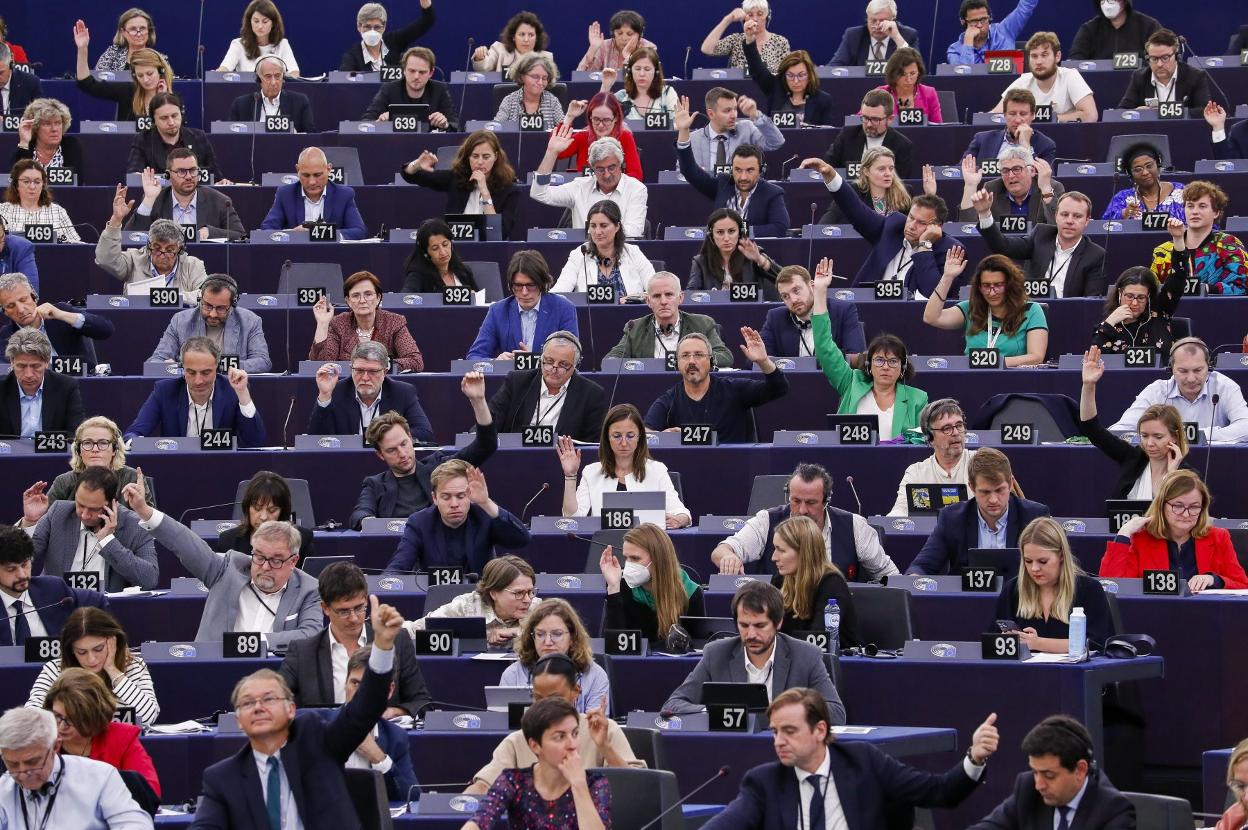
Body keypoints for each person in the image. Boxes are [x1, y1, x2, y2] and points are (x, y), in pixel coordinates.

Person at [193, 596, 406, 827]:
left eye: (269, 698)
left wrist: (383, 646)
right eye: (247, 703)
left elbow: (364, 711)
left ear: (291, 710)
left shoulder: (317, 743)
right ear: (239, 721)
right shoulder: (223, 779)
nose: (258, 707)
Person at [713, 690, 997, 829]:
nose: (778, 742)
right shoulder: (764, 782)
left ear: (820, 730)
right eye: (775, 732)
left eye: (789, 731)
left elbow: (940, 792)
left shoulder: (864, 763)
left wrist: (974, 757)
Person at [121, 470, 322, 649]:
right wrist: (145, 511)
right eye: (259, 557)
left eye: (276, 560)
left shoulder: (309, 589)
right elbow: (184, 541)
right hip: (215, 673)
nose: (265, 567)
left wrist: (255, 642)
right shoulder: (227, 569)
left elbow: (310, 635)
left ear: (293, 561)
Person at [662, 582, 844, 720]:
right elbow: (673, 705)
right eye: (744, 625)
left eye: (760, 625)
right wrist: (712, 711)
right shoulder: (716, 653)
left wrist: (787, 712)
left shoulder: (805, 655)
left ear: (778, 622)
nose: (751, 634)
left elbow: (836, 713)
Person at [467, 654, 643, 795]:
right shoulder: (519, 740)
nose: (546, 706)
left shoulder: (604, 730)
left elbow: (636, 788)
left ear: (575, 692)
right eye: (538, 698)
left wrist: (605, 747)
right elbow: (483, 786)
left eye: (555, 698)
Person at [279, 562, 429, 717]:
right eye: (343, 611)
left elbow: (422, 703)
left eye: (359, 608)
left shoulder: (397, 641)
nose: (354, 618)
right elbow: (278, 702)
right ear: (325, 608)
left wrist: (392, 712)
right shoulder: (302, 651)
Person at [349, 375, 497, 529]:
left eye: (404, 444)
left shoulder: (438, 467)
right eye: (392, 450)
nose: (402, 453)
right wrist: (371, 523)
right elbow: (360, 513)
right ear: (380, 454)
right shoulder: (375, 484)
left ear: (411, 437)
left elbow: (486, 445)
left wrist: (478, 401)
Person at [713, 463, 899, 580]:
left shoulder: (854, 526)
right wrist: (728, 557)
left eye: (811, 503)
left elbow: (889, 575)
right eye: (796, 501)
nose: (802, 510)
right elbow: (721, 551)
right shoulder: (766, 520)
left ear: (826, 501)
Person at [800, 157, 954, 297]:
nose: (912, 226)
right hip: (869, 309)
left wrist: (924, 247)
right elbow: (855, 209)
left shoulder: (951, 252)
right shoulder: (893, 227)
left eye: (921, 223)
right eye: (911, 218)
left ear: (937, 226)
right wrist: (831, 175)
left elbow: (933, 295)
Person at [811, 259, 928, 440]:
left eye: (893, 361)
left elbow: (921, 441)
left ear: (902, 367)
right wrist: (820, 292)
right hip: (850, 463)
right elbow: (824, 347)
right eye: (879, 360)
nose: (885, 366)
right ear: (869, 364)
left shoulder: (918, 399)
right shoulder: (851, 383)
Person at [463, 697, 612, 830]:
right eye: (560, 737)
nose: (572, 744)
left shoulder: (595, 783)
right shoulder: (513, 781)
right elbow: (480, 820)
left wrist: (579, 785)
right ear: (535, 746)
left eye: (574, 733)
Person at [969, 715, 1134, 829]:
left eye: (1049, 775)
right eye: (1034, 772)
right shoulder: (1028, 790)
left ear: (1080, 770)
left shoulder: (1113, 810)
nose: (1039, 784)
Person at [0, 707, 151, 829]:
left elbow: (136, 825)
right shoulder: (3, 788)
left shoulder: (101, 777)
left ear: (55, 746)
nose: (23, 773)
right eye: (12, 764)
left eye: (33, 762)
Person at [907, 448, 1051, 574]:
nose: (993, 499)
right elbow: (922, 566)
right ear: (971, 486)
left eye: (1000, 490)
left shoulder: (1035, 516)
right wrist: (915, 578)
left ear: (1011, 484)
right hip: (967, 603)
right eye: (985, 492)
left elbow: (1054, 567)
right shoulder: (951, 518)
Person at [1102, 469, 1248, 591]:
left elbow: (1242, 585)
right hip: (1154, 617)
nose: (1186, 514)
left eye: (1194, 507)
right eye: (1177, 506)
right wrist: (1123, 535)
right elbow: (1112, 586)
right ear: (1162, 505)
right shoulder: (1142, 538)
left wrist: (1214, 580)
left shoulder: (1218, 537)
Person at [382, 460, 530, 575]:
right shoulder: (420, 522)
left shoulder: (483, 515)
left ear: (469, 495)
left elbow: (522, 539)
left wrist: (486, 502)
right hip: (435, 599)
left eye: (461, 496)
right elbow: (399, 565)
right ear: (434, 498)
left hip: (480, 599)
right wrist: (386, 584)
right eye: (446, 497)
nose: (454, 504)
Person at [25, 467, 158, 592]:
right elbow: (21, 557)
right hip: (60, 606)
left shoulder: (135, 525)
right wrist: (30, 521)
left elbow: (149, 580)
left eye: (94, 509)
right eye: (80, 505)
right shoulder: (59, 512)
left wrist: (108, 542)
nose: (84, 515)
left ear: (113, 503)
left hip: (108, 611)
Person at [644, 328, 789, 443]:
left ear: (711, 361)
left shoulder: (734, 389)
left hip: (734, 468)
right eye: (685, 355)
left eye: (699, 355)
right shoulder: (668, 400)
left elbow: (779, 388)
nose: (692, 361)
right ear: (676, 363)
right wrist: (662, 437)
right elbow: (645, 433)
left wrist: (763, 361)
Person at [558, 403, 692, 527]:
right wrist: (570, 476)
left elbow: (682, 513)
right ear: (607, 438)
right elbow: (573, 519)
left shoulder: (657, 470)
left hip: (647, 548)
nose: (623, 443)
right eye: (617, 436)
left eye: (630, 436)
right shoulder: (591, 472)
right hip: (605, 547)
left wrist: (680, 519)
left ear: (640, 437)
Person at [676, 97, 790, 239]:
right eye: (738, 170)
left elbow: (779, 228)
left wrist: (739, 232)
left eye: (750, 170)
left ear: (761, 171)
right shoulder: (723, 184)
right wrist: (683, 131)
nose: (743, 177)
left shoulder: (772, 193)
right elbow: (690, 171)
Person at [26, 607, 159, 727]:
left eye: (98, 648)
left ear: (113, 641)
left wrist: (113, 671)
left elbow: (148, 717)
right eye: (82, 652)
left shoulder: (133, 666)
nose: (91, 659)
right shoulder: (54, 670)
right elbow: (31, 717)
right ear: (71, 650)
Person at [994, 518, 1113, 653]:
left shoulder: (1089, 589)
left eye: (1043, 561)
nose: (1034, 568)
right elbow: (995, 639)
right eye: (1028, 561)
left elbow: (1098, 644)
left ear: (1061, 556)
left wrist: (1038, 643)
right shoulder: (1013, 589)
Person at [124, 337, 266, 448]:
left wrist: (243, 394)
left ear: (217, 367)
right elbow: (133, 434)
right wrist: (137, 444)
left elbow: (255, 442)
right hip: (176, 469)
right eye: (191, 372)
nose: (198, 381)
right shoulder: (165, 391)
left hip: (224, 467)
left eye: (206, 372)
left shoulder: (232, 390)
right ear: (182, 368)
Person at [44, 669, 161, 801]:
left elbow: (149, 791)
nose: (61, 726)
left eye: (71, 719)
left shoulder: (122, 738)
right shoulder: (42, 742)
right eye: (57, 716)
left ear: (93, 715)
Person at [924, 250, 1050, 367]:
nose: (992, 292)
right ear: (979, 287)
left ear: (1010, 285)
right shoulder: (970, 308)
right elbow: (931, 317)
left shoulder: (1031, 310)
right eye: (986, 286)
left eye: (998, 285)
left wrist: (994, 362)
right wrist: (947, 277)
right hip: (972, 379)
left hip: (1013, 379)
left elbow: (1036, 357)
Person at [1108, 337, 1248, 440]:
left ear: (1209, 368)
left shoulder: (1225, 387)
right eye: (1183, 371)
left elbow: (1245, 427)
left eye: (1198, 370)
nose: (1191, 378)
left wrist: (1198, 435)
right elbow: (1121, 430)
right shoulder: (1157, 391)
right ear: (1171, 370)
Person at [975, 190, 1106, 297]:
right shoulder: (1041, 235)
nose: (1069, 221)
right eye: (1064, 214)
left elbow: (1091, 301)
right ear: (1056, 216)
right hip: (1030, 312)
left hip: (1068, 315)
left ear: (1087, 221)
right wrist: (984, 213)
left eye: (1077, 216)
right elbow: (1003, 246)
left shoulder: (1095, 255)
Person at [488, 331, 608, 443]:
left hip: (561, 461)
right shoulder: (517, 382)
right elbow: (490, 421)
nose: (554, 369)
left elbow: (591, 444)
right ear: (541, 359)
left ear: (575, 366)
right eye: (549, 361)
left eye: (563, 364)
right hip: (514, 458)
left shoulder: (592, 394)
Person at [0, 525, 109, 648]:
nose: (21, 575)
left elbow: (100, 602)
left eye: (25, 565)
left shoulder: (52, 589)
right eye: (11, 569)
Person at [401, 130, 519, 240]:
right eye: (475, 156)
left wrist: (485, 192)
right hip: (454, 249)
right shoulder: (456, 178)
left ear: (496, 157)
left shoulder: (509, 189)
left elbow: (499, 233)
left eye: (486, 157)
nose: (480, 162)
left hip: (490, 250)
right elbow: (409, 176)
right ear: (468, 157)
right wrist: (417, 164)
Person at [21, 417, 153, 514]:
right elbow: (43, 533)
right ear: (79, 450)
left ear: (114, 449)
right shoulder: (64, 482)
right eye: (88, 443)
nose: (95, 449)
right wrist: (31, 519)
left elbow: (152, 530)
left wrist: (142, 508)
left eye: (102, 443)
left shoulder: (132, 478)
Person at [336, 646, 418, 801]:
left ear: (389, 691)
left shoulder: (396, 738)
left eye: (368, 686)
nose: (360, 693)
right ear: (345, 683)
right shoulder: (319, 725)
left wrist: (378, 757)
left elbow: (411, 796)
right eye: (355, 683)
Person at [500, 599, 611, 713]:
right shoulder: (513, 675)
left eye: (557, 634)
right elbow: (503, 727)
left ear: (572, 637)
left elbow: (594, 727)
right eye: (540, 634)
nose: (548, 641)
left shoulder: (595, 675)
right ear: (532, 637)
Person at [532, 126, 647, 237]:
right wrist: (551, 152)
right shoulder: (580, 186)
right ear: (592, 168)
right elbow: (540, 193)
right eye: (600, 169)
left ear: (621, 165)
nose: (607, 175)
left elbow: (634, 231)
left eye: (612, 168)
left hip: (620, 253)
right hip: (584, 253)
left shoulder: (636, 188)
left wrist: (598, 229)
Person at [466, 250, 579, 361]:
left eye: (531, 285)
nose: (524, 292)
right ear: (511, 285)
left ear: (542, 284)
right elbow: (474, 356)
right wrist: (495, 363)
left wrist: (535, 360)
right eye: (518, 285)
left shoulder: (563, 308)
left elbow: (572, 357)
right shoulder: (498, 311)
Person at [599, 523, 705, 642]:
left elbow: (698, 647)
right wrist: (613, 587)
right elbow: (613, 644)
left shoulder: (690, 592)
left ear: (658, 559)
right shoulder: (622, 586)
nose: (629, 564)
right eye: (626, 558)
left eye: (635, 558)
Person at [309, 340, 433, 440]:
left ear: (385, 372)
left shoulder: (402, 392)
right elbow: (316, 439)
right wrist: (324, 395)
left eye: (373, 371)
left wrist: (384, 438)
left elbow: (424, 432)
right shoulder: (336, 390)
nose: (365, 378)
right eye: (359, 371)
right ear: (351, 369)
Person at [605, 271, 733, 366]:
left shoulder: (702, 324)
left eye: (669, 294)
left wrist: (695, 358)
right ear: (648, 301)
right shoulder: (634, 327)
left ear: (681, 298)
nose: (663, 301)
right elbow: (611, 360)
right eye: (656, 296)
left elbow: (725, 357)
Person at [148, 274, 270, 373]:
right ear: (200, 300)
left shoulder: (250, 321)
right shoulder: (180, 321)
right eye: (207, 306)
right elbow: (155, 361)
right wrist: (167, 366)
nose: (213, 314)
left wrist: (216, 365)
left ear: (232, 305)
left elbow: (263, 362)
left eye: (221, 308)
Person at [405, 555, 535, 646]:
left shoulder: (537, 608)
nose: (527, 600)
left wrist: (518, 632)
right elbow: (417, 630)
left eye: (530, 592)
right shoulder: (466, 606)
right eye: (519, 593)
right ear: (494, 593)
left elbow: (554, 634)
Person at [309, 271, 424, 372]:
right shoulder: (338, 324)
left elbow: (415, 361)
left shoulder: (393, 322)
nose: (362, 300)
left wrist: (379, 367)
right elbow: (323, 365)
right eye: (355, 296)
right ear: (348, 301)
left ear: (378, 298)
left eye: (368, 294)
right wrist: (322, 324)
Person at [1149, 181, 1248, 295]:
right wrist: (1178, 240)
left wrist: (1205, 289)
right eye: (1190, 206)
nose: (1195, 212)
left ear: (1216, 212)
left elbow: (1241, 286)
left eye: (1202, 206)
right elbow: (1152, 290)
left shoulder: (1228, 243)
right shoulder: (1162, 251)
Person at [770, 516, 858, 643]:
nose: (774, 557)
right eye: (775, 548)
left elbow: (819, 639)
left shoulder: (832, 584)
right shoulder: (780, 581)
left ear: (804, 552)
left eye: (781, 550)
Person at [124, 150, 247, 241]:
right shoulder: (156, 199)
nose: (188, 177)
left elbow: (241, 235)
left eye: (193, 170)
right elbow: (130, 237)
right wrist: (148, 200)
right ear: (168, 175)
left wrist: (210, 232)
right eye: (182, 171)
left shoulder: (219, 201)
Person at [0, 273, 112, 371]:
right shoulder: (5, 337)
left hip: (82, 385)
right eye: (11, 306)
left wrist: (63, 315)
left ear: (34, 296)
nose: (20, 309)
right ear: (5, 312)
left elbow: (106, 330)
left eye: (23, 300)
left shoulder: (61, 313)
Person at [97, 202, 207, 301]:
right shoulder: (134, 259)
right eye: (157, 248)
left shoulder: (193, 265)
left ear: (180, 249)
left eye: (170, 250)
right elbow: (105, 260)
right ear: (149, 246)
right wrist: (116, 220)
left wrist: (170, 297)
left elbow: (205, 295)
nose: (163, 255)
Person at [889, 398, 978, 516]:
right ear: (929, 438)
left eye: (959, 425)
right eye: (947, 428)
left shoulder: (983, 462)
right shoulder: (916, 473)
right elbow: (901, 510)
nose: (956, 433)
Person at [258, 147, 367, 239]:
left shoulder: (344, 195)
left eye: (317, 175)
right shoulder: (285, 194)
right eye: (305, 175)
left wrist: (326, 233)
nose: (312, 182)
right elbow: (267, 230)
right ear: (297, 170)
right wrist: (292, 234)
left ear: (329, 169)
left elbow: (359, 231)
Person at [762, 265, 866, 361]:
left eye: (796, 290)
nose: (793, 300)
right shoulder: (775, 318)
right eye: (785, 296)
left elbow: (857, 358)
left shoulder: (843, 311)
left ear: (812, 286)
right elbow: (756, 362)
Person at [73, 24, 171, 123]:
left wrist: (161, 99)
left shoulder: (173, 98)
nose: (145, 79)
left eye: (149, 74)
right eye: (140, 75)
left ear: (160, 71)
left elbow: (172, 130)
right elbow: (87, 83)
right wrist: (82, 49)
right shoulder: (128, 90)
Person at [554, 200, 653, 297]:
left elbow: (655, 289)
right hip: (589, 313)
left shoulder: (633, 252)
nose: (597, 232)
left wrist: (634, 298)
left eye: (603, 226)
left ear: (617, 226)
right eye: (593, 226)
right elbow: (560, 291)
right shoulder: (579, 253)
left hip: (631, 313)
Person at [0, 328, 84, 439]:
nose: (28, 374)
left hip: (52, 456)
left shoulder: (66, 386)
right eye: (21, 366)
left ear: (46, 362)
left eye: (35, 366)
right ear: (12, 361)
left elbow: (75, 433)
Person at [994, 33, 1097, 123]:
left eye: (1044, 55)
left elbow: (1090, 115)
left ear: (1057, 56)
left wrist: (1053, 119)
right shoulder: (1023, 82)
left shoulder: (1070, 76)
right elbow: (994, 116)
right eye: (1034, 56)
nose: (1039, 62)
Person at [124, 92, 225, 180]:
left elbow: (215, 176)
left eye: (174, 116)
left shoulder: (198, 137)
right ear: (154, 120)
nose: (171, 122)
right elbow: (133, 175)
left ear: (181, 114)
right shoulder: (143, 140)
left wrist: (222, 182)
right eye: (164, 118)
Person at [685, 209, 784, 300]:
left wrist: (760, 260)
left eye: (731, 231)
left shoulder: (754, 255)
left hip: (750, 314)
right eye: (720, 232)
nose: (726, 238)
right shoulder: (701, 262)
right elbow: (691, 296)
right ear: (711, 236)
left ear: (740, 233)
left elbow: (786, 279)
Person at [683, 87, 785, 174]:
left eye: (735, 109)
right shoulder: (693, 139)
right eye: (727, 111)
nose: (734, 115)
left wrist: (755, 115)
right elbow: (681, 174)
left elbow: (776, 142)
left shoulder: (746, 129)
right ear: (711, 114)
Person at [216, 471, 315, 557]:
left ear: (282, 512)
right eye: (257, 508)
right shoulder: (228, 541)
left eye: (272, 510)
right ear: (247, 508)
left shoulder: (302, 540)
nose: (263, 517)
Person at [1092, 265, 1184, 358]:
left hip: (1161, 372)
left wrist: (1179, 252)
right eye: (1129, 296)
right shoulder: (1108, 326)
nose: (1135, 303)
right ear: (1120, 293)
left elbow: (1178, 278)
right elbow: (1095, 361)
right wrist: (1110, 322)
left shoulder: (1160, 311)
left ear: (1148, 296)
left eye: (1141, 297)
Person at [957, 148, 1063, 226]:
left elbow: (1058, 227)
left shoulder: (1051, 187)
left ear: (1032, 171)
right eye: (1005, 171)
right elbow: (968, 227)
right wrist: (970, 186)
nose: (1011, 176)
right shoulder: (993, 188)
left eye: (1017, 169)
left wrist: (1046, 191)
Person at [361, 46, 458, 130]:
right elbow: (366, 122)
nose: (416, 76)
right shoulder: (389, 89)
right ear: (404, 70)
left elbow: (456, 126)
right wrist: (380, 123)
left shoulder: (439, 89)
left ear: (431, 73)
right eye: (412, 71)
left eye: (422, 72)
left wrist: (445, 124)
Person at [1118, 28, 1210, 117]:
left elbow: (1205, 111)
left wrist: (1171, 112)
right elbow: (1121, 112)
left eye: (1165, 58)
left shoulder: (1195, 76)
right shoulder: (1140, 77)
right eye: (1154, 59)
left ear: (1177, 56)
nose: (1159, 64)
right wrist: (1136, 112)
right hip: (1149, 131)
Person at [824, 89, 914, 178]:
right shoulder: (847, 135)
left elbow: (900, 184)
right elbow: (828, 166)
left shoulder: (902, 145)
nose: (869, 124)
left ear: (890, 119)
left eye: (875, 119)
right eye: (865, 118)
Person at [745, 39, 834, 126]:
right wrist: (749, 39)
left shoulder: (823, 100)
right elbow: (757, 69)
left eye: (801, 75)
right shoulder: (775, 88)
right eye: (790, 75)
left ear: (810, 76)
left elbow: (826, 134)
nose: (796, 81)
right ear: (784, 75)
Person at [558, 93, 644, 180]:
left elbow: (636, 175)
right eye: (596, 119)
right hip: (585, 191)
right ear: (590, 117)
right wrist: (569, 116)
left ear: (616, 118)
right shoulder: (583, 136)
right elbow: (558, 152)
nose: (600, 125)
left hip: (615, 191)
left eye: (606, 120)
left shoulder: (625, 137)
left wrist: (610, 184)